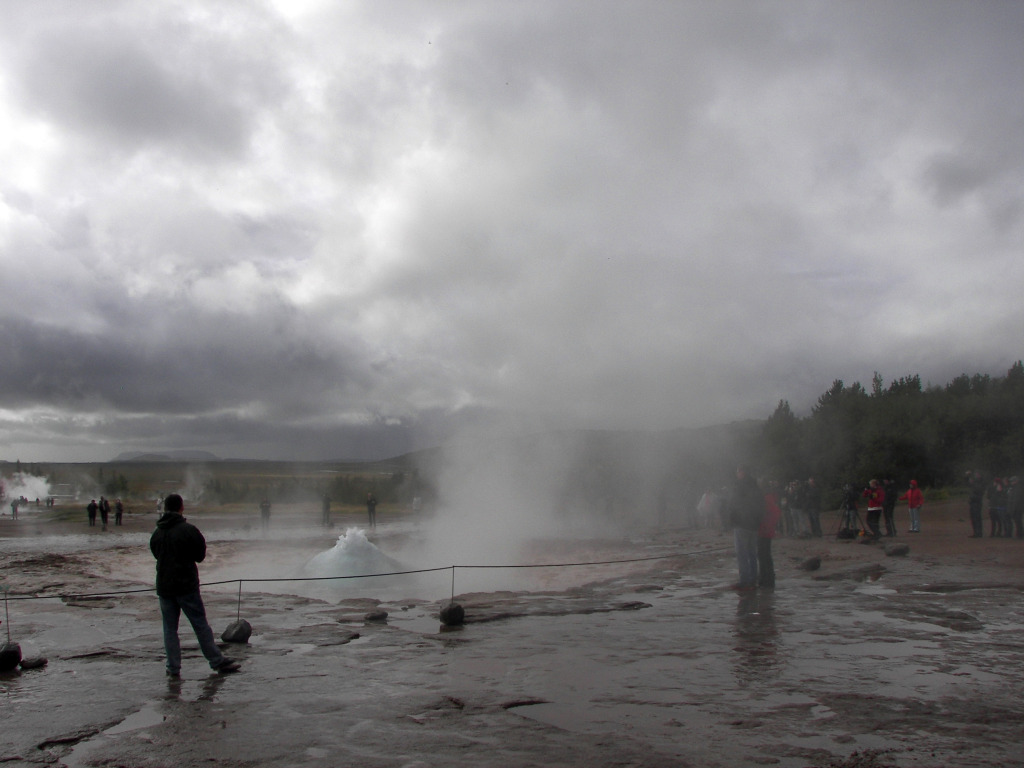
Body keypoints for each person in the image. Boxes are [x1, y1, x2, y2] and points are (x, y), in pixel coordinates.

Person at [149, 494, 240, 678]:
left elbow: (156, 554)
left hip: (165, 587)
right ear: (181, 508)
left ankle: (173, 668)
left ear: (165, 508)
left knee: (169, 629)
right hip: (186, 586)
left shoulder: (157, 532)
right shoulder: (188, 530)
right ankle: (216, 661)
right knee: (200, 625)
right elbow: (200, 555)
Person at [726, 466, 764, 591]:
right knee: (752, 553)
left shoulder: (740, 486)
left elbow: (734, 504)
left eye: (738, 471)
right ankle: (753, 579)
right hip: (753, 525)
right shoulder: (755, 486)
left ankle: (744, 581)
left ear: (742, 472)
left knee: (742, 553)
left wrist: (732, 521)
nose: (737, 474)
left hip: (742, 524)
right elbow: (760, 504)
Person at [758, 480, 782, 589]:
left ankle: (766, 578)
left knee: (763, 555)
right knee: (765, 554)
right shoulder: (769, 498)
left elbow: (770, 513)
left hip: (764, 531)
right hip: (767, 530)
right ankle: (767, 578)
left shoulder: (766, 499)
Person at [967, 470, 985, 538]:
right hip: (972, 502)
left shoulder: (981, 482)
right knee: (973, 518)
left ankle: (979, 533)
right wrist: (968, 476)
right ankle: (975, 532)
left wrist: (973, 483)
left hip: (977, 502)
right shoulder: (975, 482)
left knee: (977, 518)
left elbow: (979, 489)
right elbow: (968, 483)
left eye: (977, 474)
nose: (976, 476)